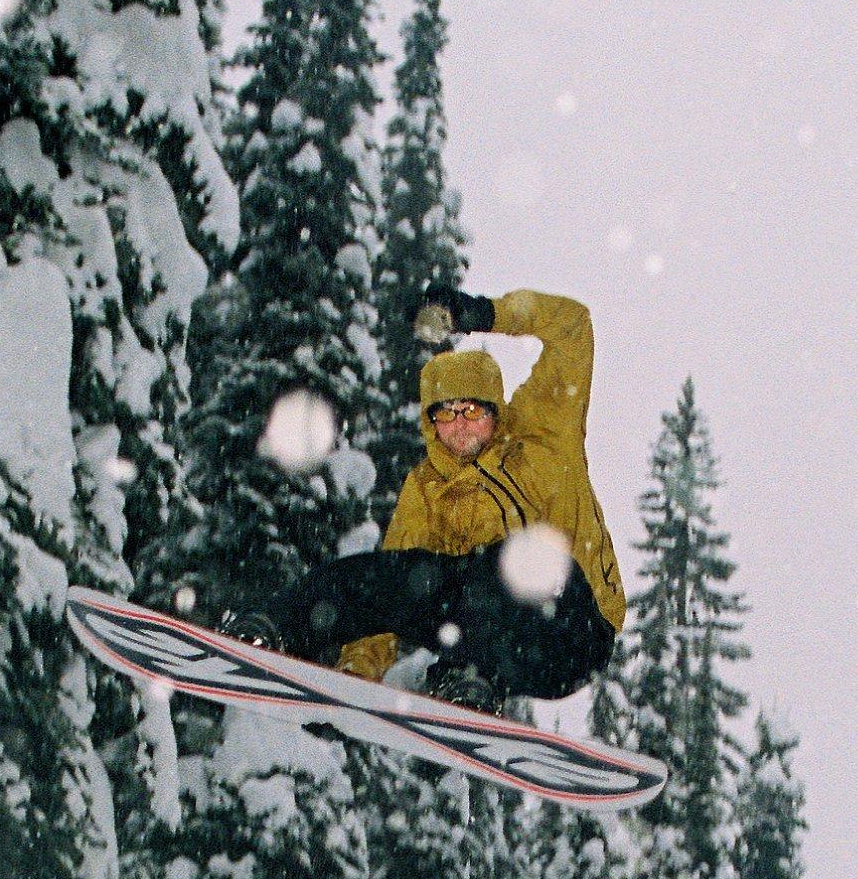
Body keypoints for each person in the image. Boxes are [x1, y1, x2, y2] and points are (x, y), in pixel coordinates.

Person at [255, 284, 628, 706]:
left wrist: (480, 314)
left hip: (576, 629)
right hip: (496, 643)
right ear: (431, 423)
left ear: (494, 411)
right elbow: (388, 591)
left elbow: (572, 326)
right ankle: (275, 628)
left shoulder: (543, 433)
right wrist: (358, 675)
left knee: (512, 558)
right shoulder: (429, 489)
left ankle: (470, 674)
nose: (460, 424)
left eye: (472, 410)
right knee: (397, 574)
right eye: (446, 414)